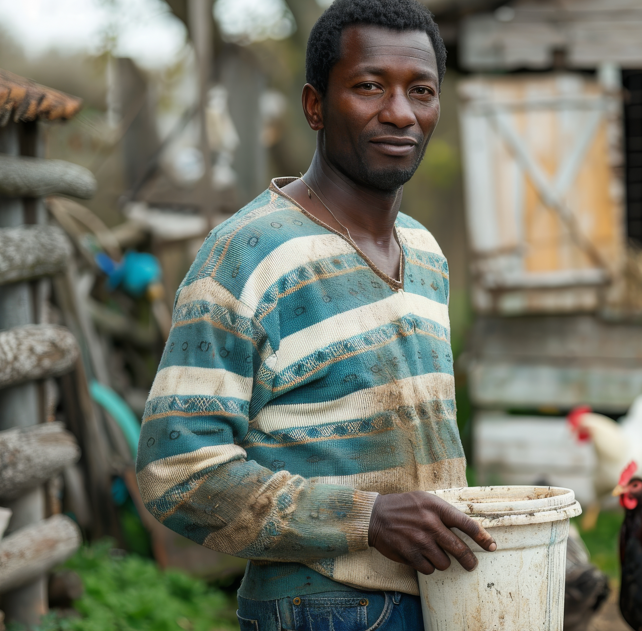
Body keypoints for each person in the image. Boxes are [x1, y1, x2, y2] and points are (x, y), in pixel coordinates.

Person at [135, 1, 495, 629]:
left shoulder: (427, 254)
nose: (400, 112)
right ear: (314, 106)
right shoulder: (250, 254)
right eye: (369, 86)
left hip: (442, 598)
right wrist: (365, 518)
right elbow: (176, 468)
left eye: (421, 90)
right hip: (320, 607)